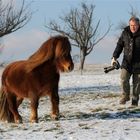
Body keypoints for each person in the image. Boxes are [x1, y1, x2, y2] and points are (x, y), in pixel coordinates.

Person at [111, 16, 140, 106]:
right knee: (123, 78)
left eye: (134, 25)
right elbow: (119, 45)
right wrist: (114, 57)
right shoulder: (125, 33)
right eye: (131, 25)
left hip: (139, 63)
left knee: (137, 83)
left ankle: (135, 100)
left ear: (138, 25)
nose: (133, 27)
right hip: (127, 62)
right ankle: (125, 96)